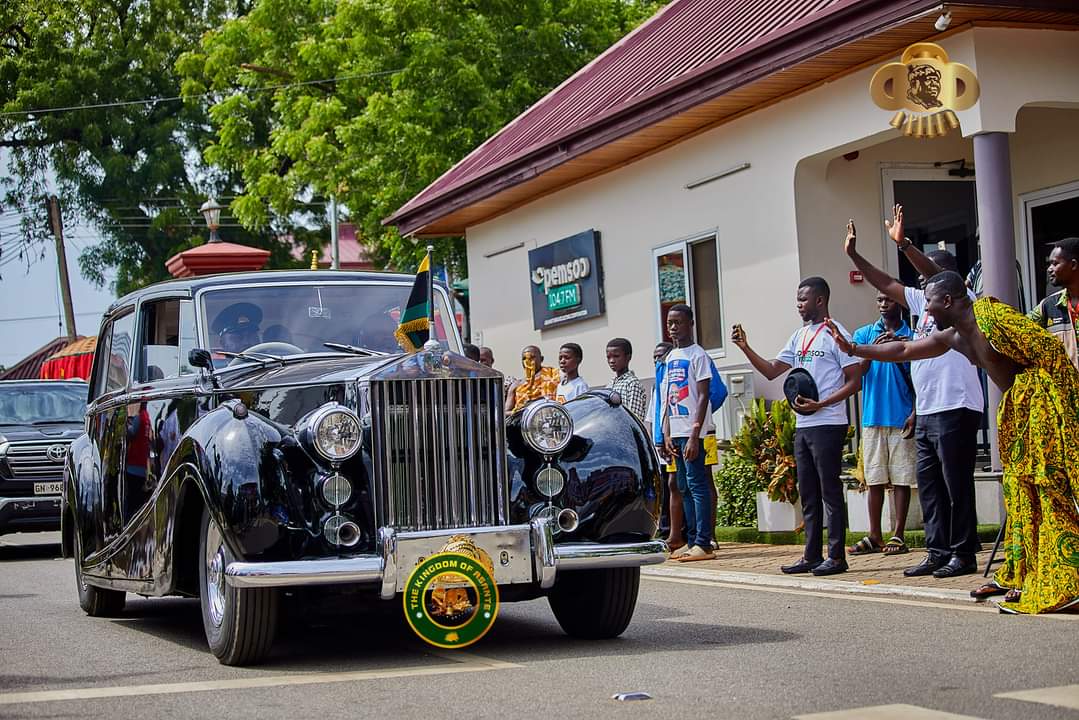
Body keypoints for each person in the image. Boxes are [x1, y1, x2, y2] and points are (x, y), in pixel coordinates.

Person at [828, 271, 1079, 614]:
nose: (926, 311)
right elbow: (904, 348)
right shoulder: (953, 336)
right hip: (1018, 415)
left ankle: (1067, 575)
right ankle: (1024, 573)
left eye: (929, 302)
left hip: (1041, 412)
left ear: (947, 300)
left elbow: (1049, 350)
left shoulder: (995, 318)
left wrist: (1053, 402)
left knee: (1051, 492)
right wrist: (854, 348)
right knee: (1022, 496)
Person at [845, 205, 984, 579]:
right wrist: (854, 255)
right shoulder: (925, 304)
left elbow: (934, 275)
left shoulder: (960, 298)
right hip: (927, 408)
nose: (922, 287)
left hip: (957, 405)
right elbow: (886, 284)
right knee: (932, 486)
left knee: (957, 486)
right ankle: (937, 551)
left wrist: (905, 244)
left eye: (928, 280)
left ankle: (964, 553)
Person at [732, 278, 861, 576]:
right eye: (797, 299)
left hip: (828, 422)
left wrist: (822, 403)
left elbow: (855, 381)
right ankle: (811, 555)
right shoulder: (799, 336)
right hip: (804, 424)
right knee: (809, 493)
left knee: (830, 491)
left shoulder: (836, 333)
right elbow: (772, 370)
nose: (798, 304)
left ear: (820, 300)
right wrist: (744, 347)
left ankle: (837, 556)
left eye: (803, 299)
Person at [847, 292, 916, 558]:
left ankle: (898, 533)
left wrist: (915, 411)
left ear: (900, 303)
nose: (883, 304)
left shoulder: (911, 335)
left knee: (901, 478)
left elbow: (918, 375)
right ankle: (874, 534)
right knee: (874, 478)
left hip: (901, 414)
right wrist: (873, 350)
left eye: (888, 299)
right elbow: (857, 373)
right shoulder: (864, 334)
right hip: (872, 415)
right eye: (878, 300)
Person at [661, 304, 716, 562]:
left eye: (678, 322)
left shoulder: (698, 355)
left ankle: (704, 543)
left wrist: (695, 433)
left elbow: (704, 395)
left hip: (694, 432)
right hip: (677, 430)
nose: (673, 327)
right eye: (670, 322)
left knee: (697, 484)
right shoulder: (670, 357)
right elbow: (667, 399)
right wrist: (667, 432)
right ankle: (691, 540)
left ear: (690, 323)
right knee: (682, 486)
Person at [647, 341, 685, 551]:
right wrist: (658, 440)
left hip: (681, 435)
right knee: (668, 485)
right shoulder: (657, 382)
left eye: (660, 356)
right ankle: (668, 529)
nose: (657, 361)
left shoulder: (673, 378)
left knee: (681, 484)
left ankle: (688, 533)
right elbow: (655, 415)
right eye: (654, 357)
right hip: (663, 441)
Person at [1028, 237, 1079, 370]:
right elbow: (1020, 329)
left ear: (1073, 265)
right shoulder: (1047, 306)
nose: (1049, 269)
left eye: (1055, 263)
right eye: (1049, 264)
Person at [505, 345, 560, 413]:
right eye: (524, 358)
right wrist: (521, 412)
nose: (528, 361)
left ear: (541, 359)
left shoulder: (554, 375)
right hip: (523, 420)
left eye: (532, 357)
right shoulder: (516, 385)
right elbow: (506, 412)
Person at [605, 337, 648, 421]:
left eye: (616, 356)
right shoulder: (610, 385)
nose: (611, 361)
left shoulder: (632, 384)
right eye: (608, 357)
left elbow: (634, 418)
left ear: (628, 357)